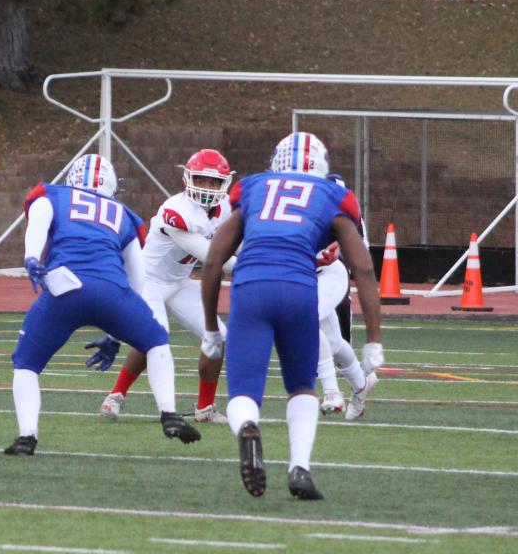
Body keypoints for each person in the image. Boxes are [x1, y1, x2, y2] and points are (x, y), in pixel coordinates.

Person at [200, 132, 383, 501]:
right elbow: (362, 268)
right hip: (299, 289)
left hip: (251, 287)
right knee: (301, 386)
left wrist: (209, 328)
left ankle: (248, 427)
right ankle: (299, 467)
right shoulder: (332, 195)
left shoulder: (252, 188)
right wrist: (374, 339)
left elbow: (214, 260)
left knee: (243, 391)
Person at [4, 153, 202, 456]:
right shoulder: (121, 212)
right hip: (112, 290)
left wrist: (31, 256)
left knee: (27, 364)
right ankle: (169, 413)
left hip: (65, 288)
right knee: (156, 340)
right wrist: (116, 334)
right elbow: (138, 279)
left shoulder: (53, 194)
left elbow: (39, 220)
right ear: (110, 184)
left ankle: (26, 437)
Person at [99, 148, 236, 424]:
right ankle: (116, 395)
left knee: (218, 339)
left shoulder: (226, 210)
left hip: (179, 282)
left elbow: (238, 244)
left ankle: (205, 408)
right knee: (156, 336)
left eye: (213, 182)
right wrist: (263, 265)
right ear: (188, 178)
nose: (207, 188)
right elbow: (212, 257)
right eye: (201, 180)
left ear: (225, 183)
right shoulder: (176, 210)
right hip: (148, 281)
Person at [314, 173, 378, 420]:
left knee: (305, 321)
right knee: (335, 342)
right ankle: (362, 385)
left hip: (328, 274)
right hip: (305, 275)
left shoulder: (341, 216)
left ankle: (331, 391)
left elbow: (358, 254)